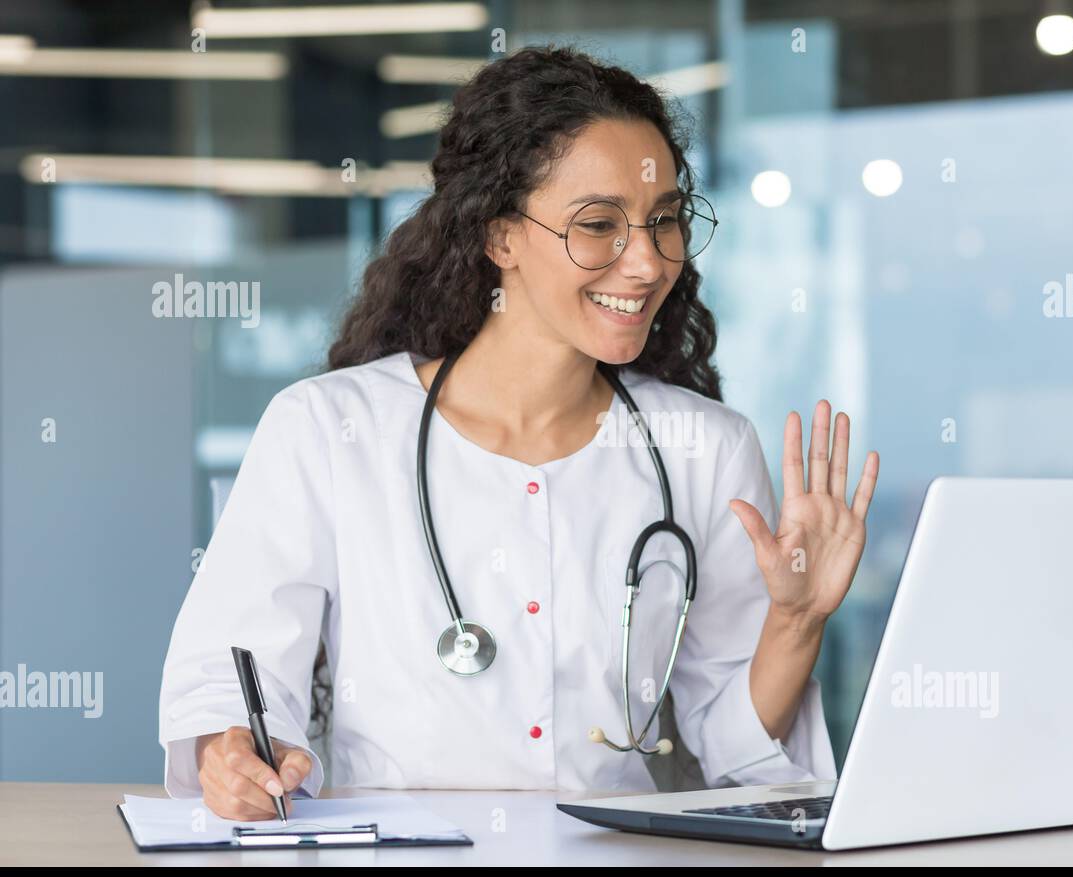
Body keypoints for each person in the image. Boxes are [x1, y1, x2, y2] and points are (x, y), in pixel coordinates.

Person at [158, 45, 880, 821]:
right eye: (598, 224)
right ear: (500, 237)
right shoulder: (329, 428)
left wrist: (797, 622)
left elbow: (737, 754)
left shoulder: (706, 449)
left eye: (663, 221)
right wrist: (231, 756)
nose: (644, 262)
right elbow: (231, 685)